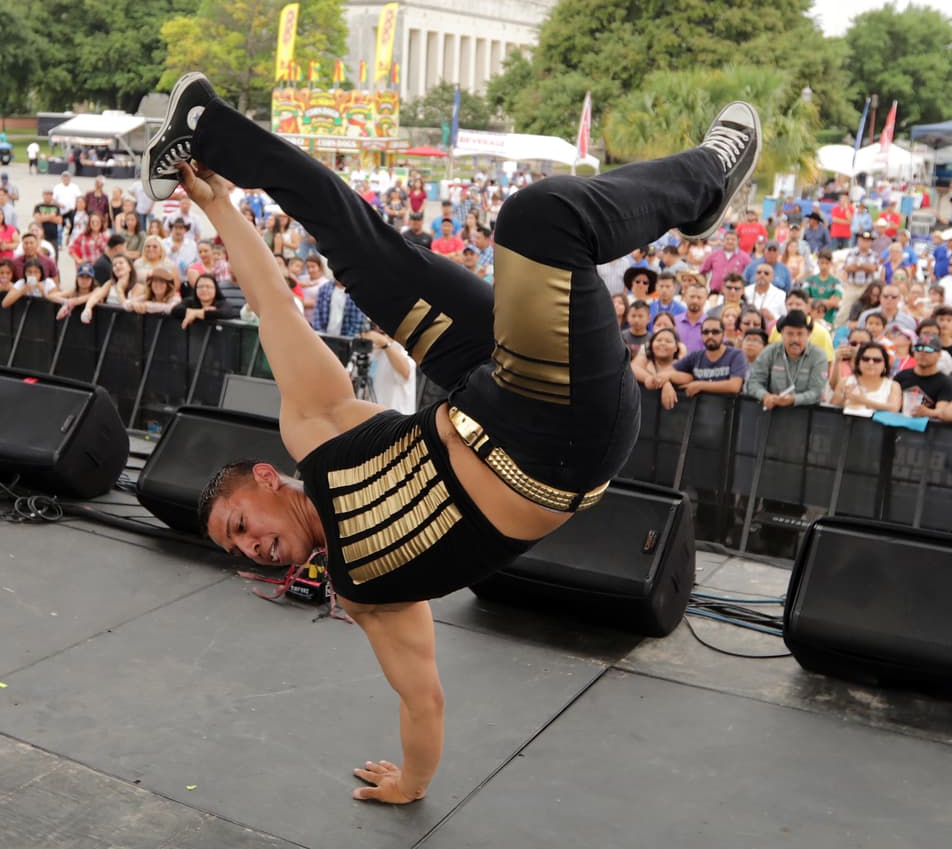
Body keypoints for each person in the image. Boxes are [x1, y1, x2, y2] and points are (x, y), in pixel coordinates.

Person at [148, 73, 761, 804]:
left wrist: (217, 204)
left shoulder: (313, 427)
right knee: (541, 221)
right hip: (561, 442)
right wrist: (412, 782)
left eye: (240, 524)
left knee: (364, 252)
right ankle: (709, 175)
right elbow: (422, 699)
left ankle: (209, 128)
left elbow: (275, 301)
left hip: (484, 384)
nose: (248, 546)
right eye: (236, 549)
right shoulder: (366, 590)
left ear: (266, 478)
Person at [745, 308, 828, 410]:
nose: (795, 339)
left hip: (805, 415)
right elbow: (754, 382)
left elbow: (817, 392)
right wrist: (765, 396)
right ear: (782, 334)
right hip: (772, 412)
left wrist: (793, 399)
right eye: (790, 334)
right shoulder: (770, 352)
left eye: (800, 334)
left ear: (808, 335)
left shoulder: (818, 356)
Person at [668, 316, 749, 399]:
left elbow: (734, 386)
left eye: (715, 332)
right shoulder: (695, 356)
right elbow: (669, 372)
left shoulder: (736, 355)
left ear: (723, 334)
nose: (710, 336)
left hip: (727, 409)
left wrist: (700, 385)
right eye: (705, 332)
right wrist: (667, 384)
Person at [893, 335, 952, 419]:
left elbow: (942, 410)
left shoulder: (946, 382)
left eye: (928, 350)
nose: (922, 353)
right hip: (899, 425)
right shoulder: (902, 376)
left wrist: (927, 412)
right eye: (918, 349)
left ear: (939, 354)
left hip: (928, 429)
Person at [832, 341, 901, 416]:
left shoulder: (893, 386)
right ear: (858, 362)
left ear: (885, 364)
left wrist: (863, 401)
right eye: (865, 359)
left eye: (877, 360)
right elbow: (832, 408)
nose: (871, 363)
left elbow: (894, 408)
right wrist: (845, 398)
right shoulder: (845, 381)